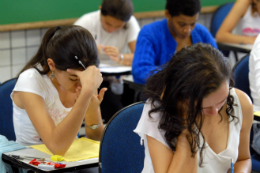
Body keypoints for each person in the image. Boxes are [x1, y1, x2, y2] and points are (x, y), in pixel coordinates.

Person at [134, 43, 253, 173]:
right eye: (204, 107)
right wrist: (186, 129)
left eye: (221, 101)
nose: (214, 112)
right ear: (182, 97)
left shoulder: (240, 102)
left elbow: (243, 159)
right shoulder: (159, 112)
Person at [11, 25, 106, 156]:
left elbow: (96, 141)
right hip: (32, 162)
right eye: (73, 78)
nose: (80, 85)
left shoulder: (86, 80)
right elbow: (57, 148)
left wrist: (92, 111)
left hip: (72, 160)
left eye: (84, 80)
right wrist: (85, 96)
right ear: (52, 65)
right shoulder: (30, 80)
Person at [132, 0, 217, 84]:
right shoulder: (149, 33)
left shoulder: (202, 33)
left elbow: (217, 65)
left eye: (193, 24)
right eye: (182, 24)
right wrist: (178, 76)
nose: (187, 30)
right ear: (167, 14)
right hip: (161, 95)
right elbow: (141, 70)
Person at [74, 0, 140, 66]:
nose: (111, 30)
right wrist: (88, 54)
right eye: (107, 24)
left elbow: (141, 56)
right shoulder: (85, 22)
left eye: (118, 26)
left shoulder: (130, 22)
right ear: (100, 10)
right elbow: (68, 55)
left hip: (119, 73)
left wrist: (120, 57)